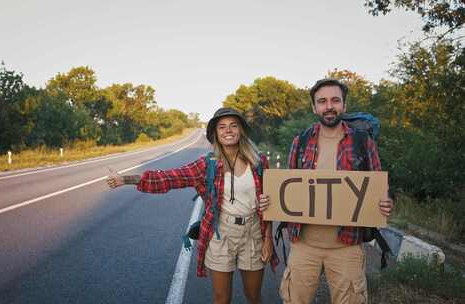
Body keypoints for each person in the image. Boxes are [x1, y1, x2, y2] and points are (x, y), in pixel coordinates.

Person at [106, 107, 277, 304]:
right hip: (221, 233)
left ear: (241, 131)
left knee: (254, 296)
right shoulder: (207, 165)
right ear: (215, 134)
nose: (228, 130)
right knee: (222, 299)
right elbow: (169, 177)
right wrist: (126, 179)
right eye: (222, 127)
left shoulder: (259, 162)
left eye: (233, 126)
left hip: (253, 232)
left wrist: (267, 238)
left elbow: (271, 203)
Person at [278, 79, 393, 304]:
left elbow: (380, 187)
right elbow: (289, 188)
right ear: (314, 107)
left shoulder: (362, 141)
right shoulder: (300, 141)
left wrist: (386, 202)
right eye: (322, 101)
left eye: (335, 100)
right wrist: (271, 201)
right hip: (304, 246)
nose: (328, 106)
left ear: (344, 105)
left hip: (346, 247)